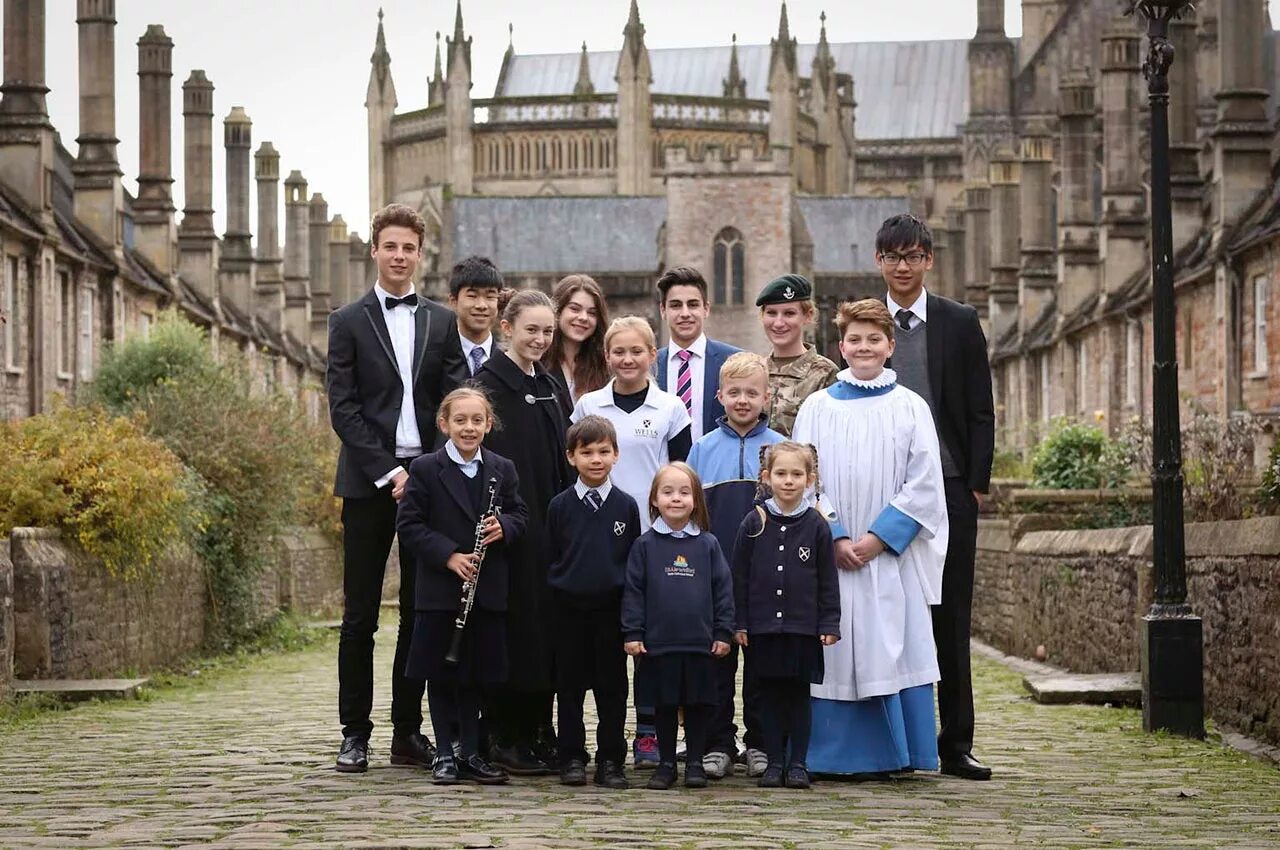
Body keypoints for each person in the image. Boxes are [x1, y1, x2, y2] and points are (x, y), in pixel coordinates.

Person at [327, 202, 467, 774]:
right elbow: (344, 409)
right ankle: (354, 733)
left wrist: (428, 471)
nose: (400, 256)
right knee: (360, 616)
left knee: (420, 612)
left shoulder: (440, 319)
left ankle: (407, 732)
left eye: (409, 247)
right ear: (375, 250)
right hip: (368, 485)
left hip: (428, 483)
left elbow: (458, 399)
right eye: (391, 246)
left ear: (420, 253)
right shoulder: (348, 320)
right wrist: (391, 471)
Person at [792, 298, 949, 778]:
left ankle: (899, 752)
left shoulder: (910, 407)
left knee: (891, 643)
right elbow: (803, 478)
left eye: (873, 339)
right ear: (841, 347)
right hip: (834, 555)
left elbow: (925, 481)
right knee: (834, 649)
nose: (864, 347)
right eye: (855, 339)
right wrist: (835, 534)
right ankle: (829, 753)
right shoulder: (816, 408)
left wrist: (879, 537)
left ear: (890, 345)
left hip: (887, 556)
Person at [876, 214, 995, 780]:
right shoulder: (864, 323)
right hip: (881, 490)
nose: (903, 266)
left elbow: (979, 408)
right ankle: (894, 742)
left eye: (913, 256)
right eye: (893, 257)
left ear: (928, 260)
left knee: (950, 617)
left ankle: (956, 744)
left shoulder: (959, 321)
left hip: (948, 490)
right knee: (884, 614)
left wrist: (974, 485)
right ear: (880, 262)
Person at [571, 316, 692, 767]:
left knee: (650, 644)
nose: (627, 359)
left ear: (652, 356)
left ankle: (649, 733)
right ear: (607, 356)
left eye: (636, 351)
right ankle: (593, 736)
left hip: (653, 540)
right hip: (598, 544)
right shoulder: (588, 406)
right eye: (618, 352)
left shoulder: (671, 408)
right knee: (603, 644)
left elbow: (681, 475)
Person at [396, 387, 528, 785]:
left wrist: (503, 526)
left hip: (484, 591)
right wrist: (450, 555)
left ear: (488, 424)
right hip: (440, 590)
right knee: (441, 672)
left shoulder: (502, 469)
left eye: (476, 420)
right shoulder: (424, 469)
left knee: (476, 674)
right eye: (460, 420)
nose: (468, 428)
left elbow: (521, 514)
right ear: (444, 424)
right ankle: (444, 754)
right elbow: (409, 526)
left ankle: (470, 752)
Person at [472, 289, 573, 775]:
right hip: (506, 531)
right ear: (505, 328)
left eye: (547, 331)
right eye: (530, 329)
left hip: (549, 530)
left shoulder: (553, 386)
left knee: (545, 635)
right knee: (510, 634)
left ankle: (538, 731)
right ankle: (503, 735)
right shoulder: (486, 386)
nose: (539, 338)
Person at [686, 351, 784, 780]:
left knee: (763, 667)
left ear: (767, 396)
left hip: (766, 578)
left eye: (752, 393)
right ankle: (717, 742)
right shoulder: (702, 449)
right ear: (719, 396)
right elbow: (686, 512)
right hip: (715, 577)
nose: (743, 400)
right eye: (734, 392)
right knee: (716, 665)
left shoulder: (781, 448)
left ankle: (761, 742)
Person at [732, 442, 841, 789]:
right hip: (763, 629)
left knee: (798, 697)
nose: (789, 481)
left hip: (802, 628)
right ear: (766, 478)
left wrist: (829, 623)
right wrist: (741, 622)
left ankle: (797, 763)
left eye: (797, 474)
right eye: (781, 474)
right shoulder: (754, 522)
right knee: (768, 697)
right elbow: (740, 577)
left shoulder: (817, 526)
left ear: (809, 479)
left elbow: (827, 579)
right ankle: (773, 761)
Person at [622, 463, 735, 790]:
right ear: (654, 499)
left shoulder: (708, 545)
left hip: (699, 644)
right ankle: (667, 763)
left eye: (684, 493)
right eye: (668, 492)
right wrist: (633, 632)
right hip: (659, 645)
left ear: (696, 501)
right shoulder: (644, 545)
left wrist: (723, 631)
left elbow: (722, 590)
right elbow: (634, 591)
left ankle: (696, 762)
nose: (676, 499)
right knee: (665, 705)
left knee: (698, 705)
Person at [545, 415, 641, 789]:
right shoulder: (560, 506)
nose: (596, 459)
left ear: (616, 455)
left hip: (611, 613)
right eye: (587, 453)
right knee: (568, 688)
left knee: (612, 690)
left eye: (604, 451)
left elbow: (632, 561)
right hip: (569, 612)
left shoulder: (625, 507)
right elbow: (551, 557)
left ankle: (611, 760)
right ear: (571, 457)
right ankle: (571, 756)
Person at [655, 267, 741, 442]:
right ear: (663, 311)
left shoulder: (734, 361)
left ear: (706, 309)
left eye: (693, 304)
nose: (685, 313)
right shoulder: (649, 366)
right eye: (676, 305)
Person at [755, 274, 840, 437]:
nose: (779, 323)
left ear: (807, 316)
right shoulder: (755, 371)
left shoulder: (826, 375)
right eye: (771, 313)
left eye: (789, 313)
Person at [543, 274, 611, 405]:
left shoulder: (605, 366)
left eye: (592, 313)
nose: (583, 317)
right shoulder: (538, 362)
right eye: (575, 309)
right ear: (557, 311)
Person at [447, 256, 503, 377]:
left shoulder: (509, 360)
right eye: (472, 296)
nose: (481, 305)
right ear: (453, 301)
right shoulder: (438, 358)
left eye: (490, 296)